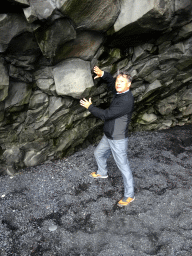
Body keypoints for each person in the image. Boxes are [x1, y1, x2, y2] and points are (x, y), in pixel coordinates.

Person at [80, 66, 134, 207]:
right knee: (98, 153)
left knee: (123, 167)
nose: (118, 83)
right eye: (118, 80)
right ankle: (102, 173)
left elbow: (106, 115)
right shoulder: (119, 92)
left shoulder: (126, 100)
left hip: (118, 138)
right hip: (109, 134)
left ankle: (129, 195)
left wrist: (90, 107)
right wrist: (103, 74)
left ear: (129, 84)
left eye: (122, 81)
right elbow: (111, 83)